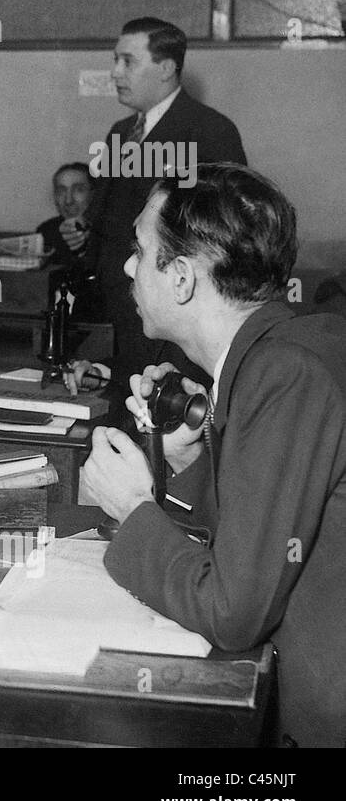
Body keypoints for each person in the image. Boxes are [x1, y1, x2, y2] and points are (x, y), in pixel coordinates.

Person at [79, 166, 346, 747]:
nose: (127, 266)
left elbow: (233, 612)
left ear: (180, 278)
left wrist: (132, 507)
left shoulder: (283, 376)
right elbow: (267, 534)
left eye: (139, 249)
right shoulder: (290, 349)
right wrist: (182, 466)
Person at [90, 16, 247, 385]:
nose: (115, 72)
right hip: (121, 317)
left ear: (165, 68)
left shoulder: (211, 131)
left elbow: (223, 237)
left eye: (128, 61)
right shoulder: (121, 133)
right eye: (116, 60)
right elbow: (110, 215)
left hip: (175, 334)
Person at [37, 162, 95, 268]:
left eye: (79, 190)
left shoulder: (104, 232)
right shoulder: (46, 231)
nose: (68, 200)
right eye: (61, 191)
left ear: (93, 194)